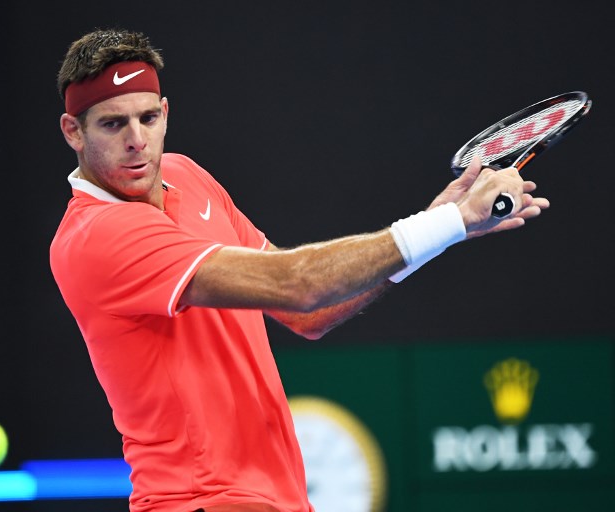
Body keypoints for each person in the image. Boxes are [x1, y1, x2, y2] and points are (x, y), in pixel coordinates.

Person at [49, 28, 549, 512]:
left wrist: (440, 230)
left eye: (147, 118)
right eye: (113, 124)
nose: (137, 140)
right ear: (74, 131)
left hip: (277, 496)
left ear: (165, 113)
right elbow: (298, 285)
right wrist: (451, 219)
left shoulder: (184, 173)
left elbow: (311, 315)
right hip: (200, 499)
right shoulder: (98, 236)